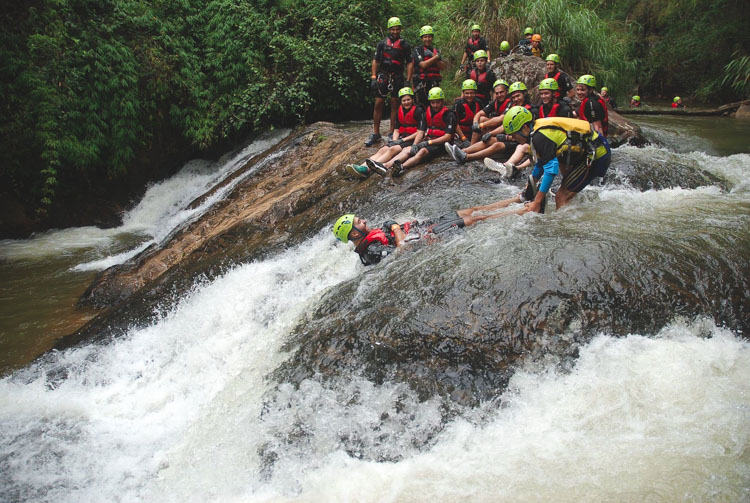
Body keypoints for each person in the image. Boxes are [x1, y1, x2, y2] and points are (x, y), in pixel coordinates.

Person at [501, 105, 612, 212]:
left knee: (560, 197)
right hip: (591, 149)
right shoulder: (536, 132)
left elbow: (551, 170)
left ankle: (566, 228)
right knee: (566, 186)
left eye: (514, 134)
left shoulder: (539, 137)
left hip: (597, 156)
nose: (513, 138)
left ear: (524, 127)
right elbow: (541, 163)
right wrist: (531, 184)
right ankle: (574, 206)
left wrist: (537, 202)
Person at [333, 203, 515, 265]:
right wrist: (395, 228)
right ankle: (525, 210)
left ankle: (520, 198)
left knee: (472, 210)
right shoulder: (371, 252)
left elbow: (391, 230)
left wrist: (393, 227)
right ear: (355, 235)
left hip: (421, 229)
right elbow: (403, 250)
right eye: (359, 223)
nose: (363, 221)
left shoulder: (370, 238)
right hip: (428, 238)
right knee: (477, 219)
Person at [367, 87, 456, 178]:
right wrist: (415, 144)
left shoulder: (449, 114)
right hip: (428, 140)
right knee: (406, 150)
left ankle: (397, 166)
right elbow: (421, 132)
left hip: (441, 143)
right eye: (433, 102)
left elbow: (448, 137)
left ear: (442, 101)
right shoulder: (427, 113)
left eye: (438, 102)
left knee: (421, 151)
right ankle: (375, 166)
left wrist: (425, 142)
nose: (435, 105)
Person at [445, 81, 533, 169]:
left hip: (519, 141)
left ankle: (466, 157)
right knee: (489, 139)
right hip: (512, 137)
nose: (516, 99)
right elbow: (503, 125)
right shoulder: (512, 106)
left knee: (497, 145)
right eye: (514, 97)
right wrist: (480, 127)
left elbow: (503, 121)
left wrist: (504, 136)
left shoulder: (529, 110)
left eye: (518, 96)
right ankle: (462, 151)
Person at [346, 87, 425, 178]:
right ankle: (362, 167)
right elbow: (396, 130)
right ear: (401, 101)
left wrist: (401, 141)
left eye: (408, 100)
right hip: (402, 139)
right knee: (383, 149)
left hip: (411, 139)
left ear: (413, 99)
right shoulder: (399, 111)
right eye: (404, 100)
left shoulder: (419, 111)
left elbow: (421, 132)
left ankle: (368, 169)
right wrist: (394, 141)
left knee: (392, 150)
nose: (406, 102)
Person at [367, 17, 414, 147]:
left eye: (397, 29)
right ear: (389, 30)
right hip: (383, 75)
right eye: (392, 29)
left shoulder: (404, 45)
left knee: (395, 104)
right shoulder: (382, 44)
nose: (395, 31)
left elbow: (410, 62)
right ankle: (376, 133)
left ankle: (392, 132)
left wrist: (408, 80)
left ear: (400, 29)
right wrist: (373, 77)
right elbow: (375, 60)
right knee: (378, 103)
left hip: (397, 76)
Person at [413, 25, 446, 108]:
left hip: (433, 82)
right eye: (425, 37)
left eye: (429, 37)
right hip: (421, 83)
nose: (427, 39)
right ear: (422, 38)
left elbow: (442, 66)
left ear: (432, 38)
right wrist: (435, 57)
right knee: (421, 106)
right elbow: (423, 65)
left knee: (435, 106)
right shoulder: (418, 50)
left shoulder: (435, 51)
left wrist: (433, 56)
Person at [453, 79, 482, 147]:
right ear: (463, 93)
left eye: (471, 93)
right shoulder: (458, 104)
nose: (469, 95)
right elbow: (454, 123)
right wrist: (463, 138)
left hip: (474, 133)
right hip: (461, 135)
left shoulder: (479, 102)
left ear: (475, 93)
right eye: (467, 93)